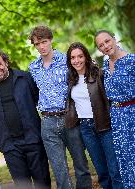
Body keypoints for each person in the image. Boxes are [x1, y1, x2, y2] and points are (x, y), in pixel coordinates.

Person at [28, 25, 91, 189]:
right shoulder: (33, 67)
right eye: (37, 44)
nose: (41, 46)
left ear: (51, 40)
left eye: (44, 41)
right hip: (47, 122)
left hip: (69, 117)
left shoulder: (67, 61)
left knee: (80, 163)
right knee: (59, 169)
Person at [0, 50, 51, 189]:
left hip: (33, 139)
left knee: (42, 182)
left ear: (6, 62)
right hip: (10, 146)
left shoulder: (24, 78)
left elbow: (38, 100)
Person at [65, 42, 123, 189]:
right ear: (69, 60)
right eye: (73, 57)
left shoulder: (99, 74)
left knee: (114, 169)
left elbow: (110, 98)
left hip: (105, 126)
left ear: (86, 57)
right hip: (86, 129)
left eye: (80, 56)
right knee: (101, 171)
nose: (76, 60)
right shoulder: (71, 79)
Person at [95, 30, 135, 188]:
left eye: (107, 41)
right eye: (101, 45)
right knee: (123, 160)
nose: (105, 46)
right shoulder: (105, 65)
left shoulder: (132, 61)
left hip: (132, 114)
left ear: (114, 39)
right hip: (116, 118)